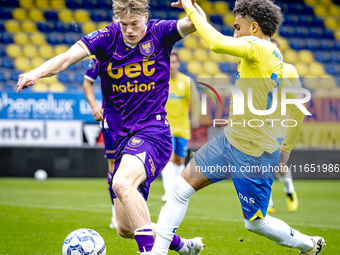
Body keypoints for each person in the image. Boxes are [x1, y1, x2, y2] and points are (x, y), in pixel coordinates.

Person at [16, 0, 207, 253]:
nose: (129, 30)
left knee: (122, 183)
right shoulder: (106, 38)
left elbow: (198, 23)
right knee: (126, 228)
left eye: (135, 24)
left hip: (153, 132)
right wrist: (36, 73)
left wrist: (189, 5)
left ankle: (150, 252)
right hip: (121, 138)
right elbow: (65, 59)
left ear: (146, 18)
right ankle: (182, 246)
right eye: (124, 24)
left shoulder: (160, 32)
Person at [151, 0, 325, 255]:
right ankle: (157, 252)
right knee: (179, 190)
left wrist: (189, 8)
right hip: (230, 140)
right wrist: (286, 148)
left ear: (254, 27)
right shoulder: (274, 56)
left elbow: (216, 43)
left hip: (253, 152)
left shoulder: (257, 47)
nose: (235, 33)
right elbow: (296, 107)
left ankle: (308, 244)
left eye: (237, 27)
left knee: (256, 223)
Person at [83, 56, 117, 229]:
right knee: (114, 166)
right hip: (112, 119)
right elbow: (87, 82)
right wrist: (94, 107)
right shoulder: (101, 54)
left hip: (139, 118)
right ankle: (115, 212)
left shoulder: (141, 47)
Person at [161, 51, 201, 202]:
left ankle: (175, 189)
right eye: (168, 62)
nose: (171, 65)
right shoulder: (160, 81)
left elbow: (195, 101)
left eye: (174, 62)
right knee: (168, 158)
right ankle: (168, 191)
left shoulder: (187, 81)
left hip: (183, 128)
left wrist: (196, 117)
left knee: (179, 160)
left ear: (178, 64)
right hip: (166, 127)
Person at [267, 38, 301, 214]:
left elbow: (298, 95)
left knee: (278, 164)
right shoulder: (260, 69)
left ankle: (289, 191)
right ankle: (268, 202)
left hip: (282, 122)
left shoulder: (288, 69)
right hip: (262, 123)